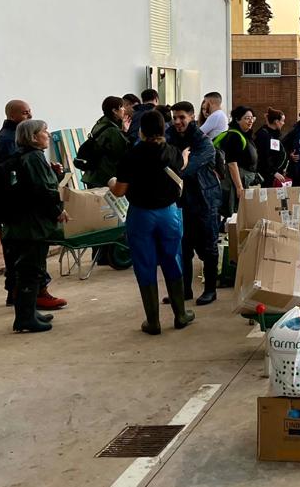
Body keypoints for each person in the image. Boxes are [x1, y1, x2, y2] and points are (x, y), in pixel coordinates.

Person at [109, 110, 194, 334]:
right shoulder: (172, 152)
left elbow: (119, 191)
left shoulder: (131, 156)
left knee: (144, 264)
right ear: (164, 129)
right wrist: (184, 157)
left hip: (141, 215)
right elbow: (180, 166)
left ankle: (153, 321)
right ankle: (181, 315)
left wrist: (111, 183)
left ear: (141, 131)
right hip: (169, 214)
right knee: (173, 259)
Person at [0, 99, 67, 311]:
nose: (29, 115)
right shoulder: (12, 144)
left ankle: (27, 304)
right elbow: (39, 188)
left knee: (26, 262)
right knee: (28, 263)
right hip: (26, 218)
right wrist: (57, 210)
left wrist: (50, 171)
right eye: (25, 113)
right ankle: (30, 303)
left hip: (23, 216)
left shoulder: (24, 149)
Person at [4, 119, 70, 332]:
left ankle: (30, 312)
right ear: (33, 137)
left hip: (27, 224)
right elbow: (43, 191)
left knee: (33, 269)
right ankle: (24, 318)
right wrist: (58, 211)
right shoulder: (33, 158)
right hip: (31, 226)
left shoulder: (27, 156)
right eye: (44, 131)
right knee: (30, 270)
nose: (48, 135)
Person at [166, 101, 223, 307]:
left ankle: (210, 290)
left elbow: (184, 171)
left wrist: (174, 165)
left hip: (205, 200)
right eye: (175, 118)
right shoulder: (169, 138)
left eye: (182, 117)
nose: (178, 122)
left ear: (192, 117)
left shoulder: (204, 143)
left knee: (208, 246)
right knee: (183, 247)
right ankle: (185, 290)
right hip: (181, 202)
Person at [215, 106, 259, 217]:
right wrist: (239, 187)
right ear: (237, 120)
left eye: (251, 118)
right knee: (235, 214)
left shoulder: (246, 135)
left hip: (245, 179)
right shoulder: (234, 136)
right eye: (246, 118)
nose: (250, 121)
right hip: (237, 181)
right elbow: (232, 164)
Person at [82, 96, 131, 188]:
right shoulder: (112, 131)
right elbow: (122, 153)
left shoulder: (100, 124)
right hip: (104, 178)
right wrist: (125, 133)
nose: (124, 109)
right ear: (114, 111)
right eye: (121, 107)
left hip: (92, 175)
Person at [254, 108, 289, 187]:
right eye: (282, 121)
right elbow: (264, 157)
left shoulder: (274, 134)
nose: (283, 123)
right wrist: (273, 172)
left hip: (275, 174)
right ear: (276, 122)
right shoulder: (264, 135)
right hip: (267, 176)